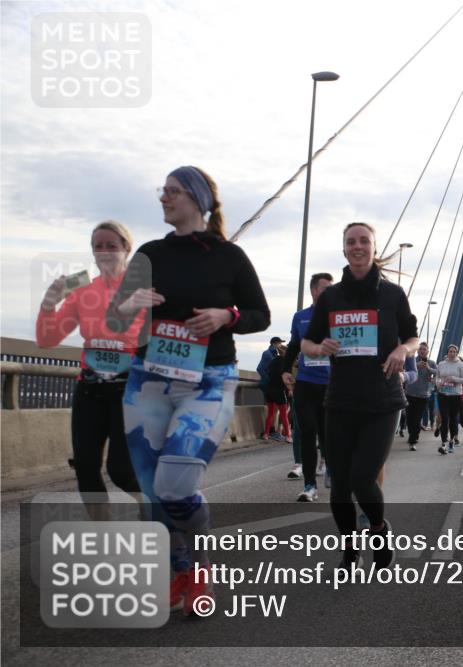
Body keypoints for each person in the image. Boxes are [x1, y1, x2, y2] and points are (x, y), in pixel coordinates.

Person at [108, 165, 270, 613]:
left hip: (208, 382)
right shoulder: (149, 253)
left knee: (175, 484)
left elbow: (260, 314)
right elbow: (115, 320)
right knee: (154, 492)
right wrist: (131, 304)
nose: (164, 197)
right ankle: (178, 570)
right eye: (163, 191)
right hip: (148, 381)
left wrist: (226, 317)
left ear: (198, 199)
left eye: (173, 191)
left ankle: (199, 565)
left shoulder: (228, 256)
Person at [301, 222, 418, 571]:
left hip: (383, 400)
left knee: (362, 479)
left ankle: (379, 531)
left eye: (364, 241)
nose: (357, 246)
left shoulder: (393, 294)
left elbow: (412, 337)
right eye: (351, 241)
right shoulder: (331, 297)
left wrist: (402, 350)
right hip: (340, 400)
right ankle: (350, 551)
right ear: (344, 249)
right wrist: (319, 347)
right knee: (339, 487)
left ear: (373, 247)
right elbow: (307, 342)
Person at [36, 220, 144, 517]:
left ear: (127, 249)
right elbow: (47, 339)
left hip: (129, 392)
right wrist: (48, 305)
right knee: (85, 469)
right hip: (89, 390)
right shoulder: (82, 288)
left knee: (121, 470)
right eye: (98, 246)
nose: (104, 252)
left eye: (112, 245)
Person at [282, 272, 334, 499]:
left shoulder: (337, 317)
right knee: (307, 432)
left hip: (331, 385)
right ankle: (310, 485)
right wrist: (285, 370)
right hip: (305, 383)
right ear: (314, 291)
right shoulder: (301, 317)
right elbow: (294, 345)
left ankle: (330, 467)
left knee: (327, 434)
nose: (330, 292)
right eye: (325, 288)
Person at [404, 342, 437, 450]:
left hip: (423, 395)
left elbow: (438, 373)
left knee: (417, 418)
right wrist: (416, 366)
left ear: (428, 351)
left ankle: (413, 441)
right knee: (409, 419)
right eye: (420, 349)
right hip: (409, 393)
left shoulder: (431, 363)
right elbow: (403, 370)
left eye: (424, 349)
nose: (422, 351)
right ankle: (412, 434)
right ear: (417, 350)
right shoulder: (411, 360)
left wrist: (429, 370)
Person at [436, 344, 463, 452]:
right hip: (443, 394)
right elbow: (437, 377)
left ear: (457, 353)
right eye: (450, 351)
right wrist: (439, 384)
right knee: (444, 418)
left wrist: (453, 379)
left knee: (453, 419)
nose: (452, 353)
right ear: (448, 352)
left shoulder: (461, 365)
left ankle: (452, 441)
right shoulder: (441, 364)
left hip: (455, 395)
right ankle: (443, 443)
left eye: (454, 352)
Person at [262, 344, 292, 442]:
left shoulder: (272, 361)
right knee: (284, 414)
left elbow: (267, 373)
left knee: (270, 414)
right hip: (279, 391)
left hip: (269, 390)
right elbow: (287, 378)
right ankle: (288, 436)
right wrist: (290, 389)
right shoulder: (286, 363)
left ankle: (266, 434)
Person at [257, 336, 285, 439]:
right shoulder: (267, 354)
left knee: (274, 410)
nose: (280, 345)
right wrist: (269, 380)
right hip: (269, 385)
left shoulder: (274, 354)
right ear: (274, 344)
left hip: (271, 385)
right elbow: (260, 369)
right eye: (279, 343)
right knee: (273, 410)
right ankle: (270, 431)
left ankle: (270, 431)